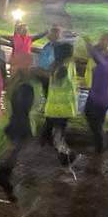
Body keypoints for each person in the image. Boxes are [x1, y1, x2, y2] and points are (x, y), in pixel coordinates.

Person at [0, 68, 43, 202]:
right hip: (20, 128)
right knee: (10, 158)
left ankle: (5, 184)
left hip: (15, 127)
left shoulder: (16, 93)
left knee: (8, 159)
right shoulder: (27, 90)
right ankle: (5, 184)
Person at [43, 42, 79, 170]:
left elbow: (58, 78)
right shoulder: (64, 65)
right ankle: (65, 157)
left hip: (60, 110)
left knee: (57, 136)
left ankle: (68, 158)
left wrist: (37, 72)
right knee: (53, 135)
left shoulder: (62, 67)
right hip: (58, 109)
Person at [82, 34, 108, 156]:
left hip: (97, 98)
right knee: (98, 121)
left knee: (91, 118)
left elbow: (94, 54)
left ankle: (100, 145)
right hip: (106, 98)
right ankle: (102, 140)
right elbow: (95, 53)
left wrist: (87, 41)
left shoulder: (104, 64)